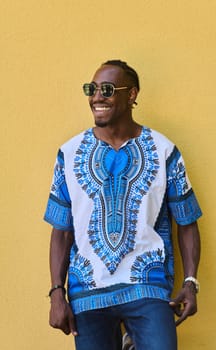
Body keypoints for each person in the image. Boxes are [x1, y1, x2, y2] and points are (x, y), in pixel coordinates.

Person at [44, 59, 202, 350]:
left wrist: (190, 282)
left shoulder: (163, 149)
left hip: (148, 288)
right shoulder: (69, 153)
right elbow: (62, 231)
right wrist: (57, 293)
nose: (96, 97)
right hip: (88, 294)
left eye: (107, 89)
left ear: (131, 95)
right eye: (91, 89)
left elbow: (187, 220)